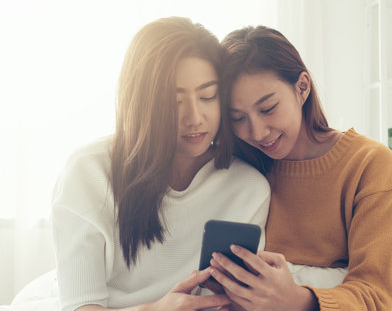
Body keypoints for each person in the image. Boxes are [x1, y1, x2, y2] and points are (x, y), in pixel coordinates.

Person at [50, 17, 270, 311]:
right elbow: (80, 305)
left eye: (207, 96)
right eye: (174, 101)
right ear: (142, 102)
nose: (195, 117)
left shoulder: (248, 189)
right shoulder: (89, 172)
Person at [209, 25, 392, 311]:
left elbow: (374, 295)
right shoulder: (239, 167)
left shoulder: (368, 164)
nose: (258, 132)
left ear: (302, 88)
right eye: (238, 118)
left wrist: (295, 300)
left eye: (268, 108)